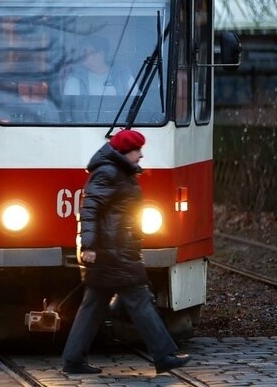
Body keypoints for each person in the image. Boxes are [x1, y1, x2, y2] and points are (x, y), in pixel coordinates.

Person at [61, 129, 191, 375]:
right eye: (137, 150)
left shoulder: (118, 172)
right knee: (139, 300)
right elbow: (89, 210)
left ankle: (73, 360)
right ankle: (163, 355)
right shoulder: (109, 173)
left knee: (93, 306)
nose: (141, 155)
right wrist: (88, 245)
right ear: (125, 151)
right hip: (113, 252)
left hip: (114, 249)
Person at [63, 35, 133, 96]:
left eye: (85, 52)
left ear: (100, 54)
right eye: (81, 52)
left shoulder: (123, 75)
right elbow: (71, 106)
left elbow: (136, 103)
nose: (81, 55)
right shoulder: (75, 78)